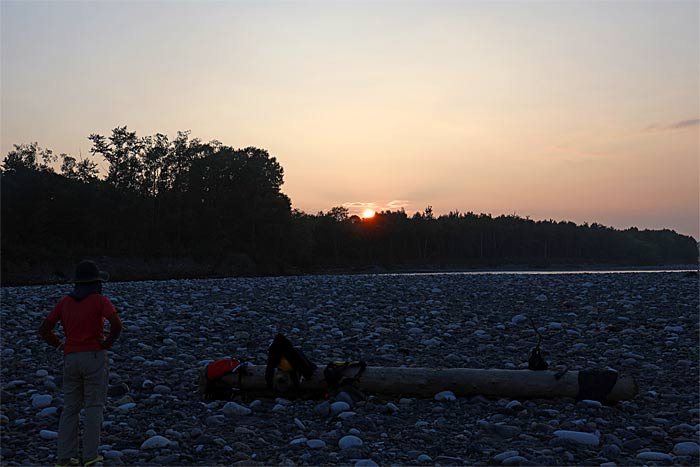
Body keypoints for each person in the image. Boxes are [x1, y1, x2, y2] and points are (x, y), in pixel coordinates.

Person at [38, 260, 123, 467]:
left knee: (70, 408)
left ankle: (65, 458)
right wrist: (107, 343)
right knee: (94, 406)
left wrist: (60, 345)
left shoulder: (64, 302)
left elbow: (44, 329)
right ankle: (90, 456)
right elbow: (116, 324)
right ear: (96, 282)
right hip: (94, 356)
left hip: (71, 358)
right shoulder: (100, 301)